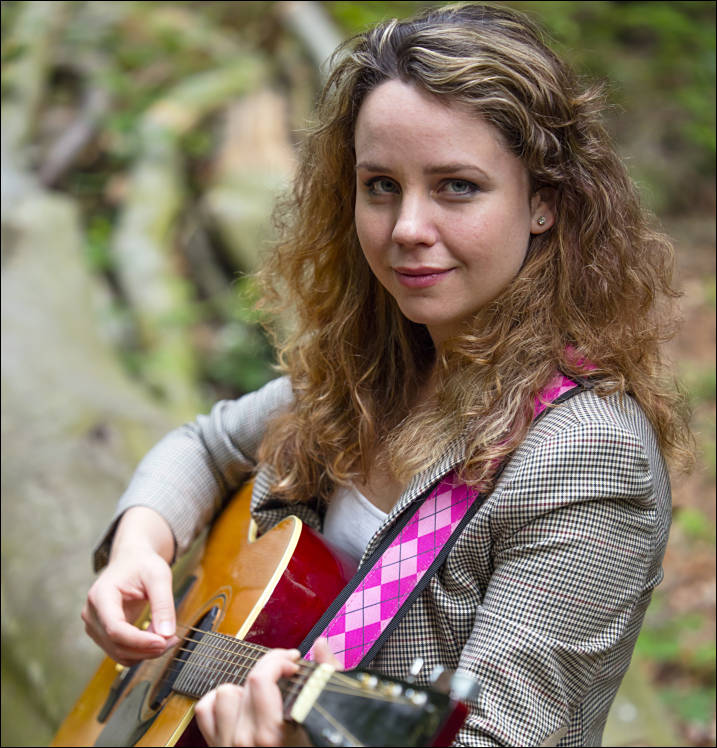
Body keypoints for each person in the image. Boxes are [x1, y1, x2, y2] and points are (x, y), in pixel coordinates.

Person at [81, 3, 693, 746]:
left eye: (456, 186)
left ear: (544, 203)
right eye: (380, 185)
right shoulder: (375, 367)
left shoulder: (587, 454)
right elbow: (206, 445)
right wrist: (140, 545)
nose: (406, 228)